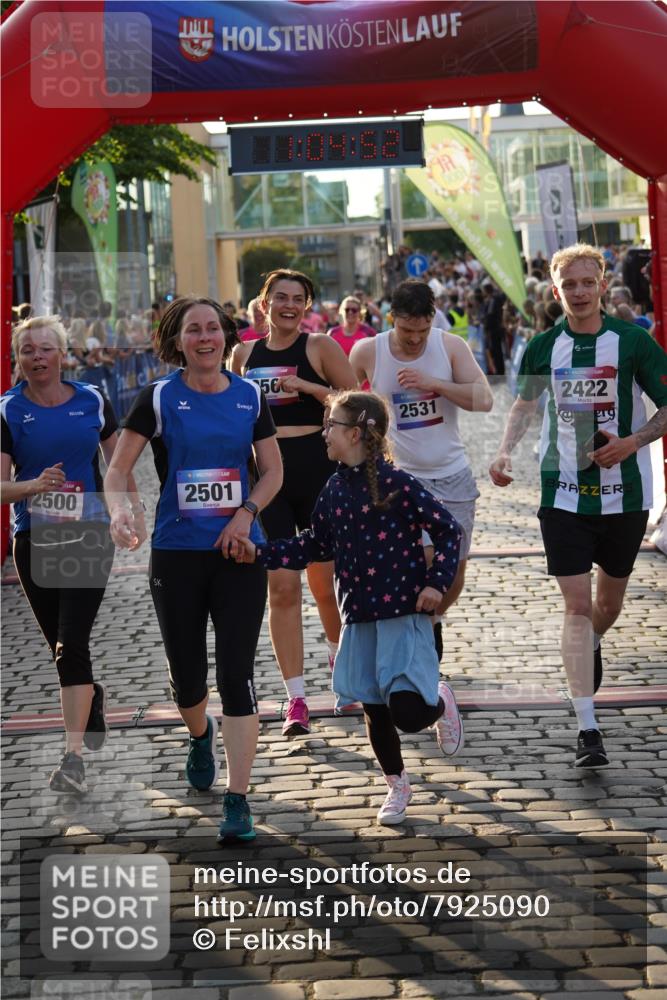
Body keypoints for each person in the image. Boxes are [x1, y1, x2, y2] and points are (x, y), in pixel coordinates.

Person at [232, 390, 465, 825]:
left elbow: (448, 530)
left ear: (356, 433)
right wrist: (258, 554)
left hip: (402, 613)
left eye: (331, 426)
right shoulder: (335, 488)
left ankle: (439, 701)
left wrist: (436, 584)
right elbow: (313, 545)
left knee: (407, 713)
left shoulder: (398, 484)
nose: (324, 434)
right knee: (375, 711)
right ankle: (396, 784)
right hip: (358, 618)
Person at [104, 296, 282, 841]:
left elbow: (271, 472)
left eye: (213, 329)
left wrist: (245, 514)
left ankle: (238, 797)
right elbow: (116, 470)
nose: (205, 338)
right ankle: (199, 733)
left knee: (237, 675)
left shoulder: (249, 395)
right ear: (176, 341)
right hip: (177, 554)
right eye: (193, 330)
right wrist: (120, 510)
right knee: (187, 679)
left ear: (226, 336)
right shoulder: (158, 397)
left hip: (239, 554)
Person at [489, 243, 667, 768]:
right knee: (576, 608)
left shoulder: (634, 342)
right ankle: (588, 729)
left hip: (626, 496)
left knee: (604, 609)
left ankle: (587, 647)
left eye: (588, 283)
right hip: (562, 492)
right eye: (570, 285)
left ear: (603, 282)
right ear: (556, 288)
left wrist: (632, 443)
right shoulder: (543, 347)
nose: (580, 292)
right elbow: (523, 405)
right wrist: (502, 451)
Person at [1, 315, 144, 793]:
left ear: (63, 354)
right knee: (62, 652)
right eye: (27, 351)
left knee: (70, 643)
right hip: (33, 539)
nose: (37, 357)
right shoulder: (7, 410)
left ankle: (72, 760)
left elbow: (117, 465)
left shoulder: (92, 400)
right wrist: (32, 486)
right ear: (17, 359)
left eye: (45, 349)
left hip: (86, 535)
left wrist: (129, 512)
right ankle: (92, 696)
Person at [231, 269, 356, 737]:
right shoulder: (243, 354)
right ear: (263, 302)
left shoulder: (319, 347)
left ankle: (343, 670)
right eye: (279, 297)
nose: (288, 305)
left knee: (326, 588)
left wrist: (311, 390)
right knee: (282, 589)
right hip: (269, 478)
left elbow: (358, 403)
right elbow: (234, 412)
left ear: (307, 306)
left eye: (297, 299)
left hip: (319, 473)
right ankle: (296, 698)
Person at [350, 279, 492, 660]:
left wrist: (435, 384)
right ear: (391, 318)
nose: (415, 340)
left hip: (452, 473)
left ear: (433, 319)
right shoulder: (369, 350)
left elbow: (484, 399)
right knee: (423, 563)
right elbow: (344, 405)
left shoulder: (450, 346)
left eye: (422, 330)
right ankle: (417, 640)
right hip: (400, 477)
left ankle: (432, 622)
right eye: (407, 330)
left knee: (454, 573)